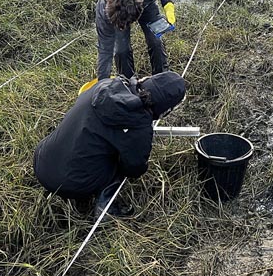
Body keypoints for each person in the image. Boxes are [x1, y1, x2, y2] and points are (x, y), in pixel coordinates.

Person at [34, 72, 186, 217]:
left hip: (41, 159)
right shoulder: (139, 125)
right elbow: (135, 168)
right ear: (165, 108)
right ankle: (106, 208)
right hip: (70, 184)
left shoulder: (105, 85)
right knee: (122, 162)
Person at [95, 0, 176, 80]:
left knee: (155, 40)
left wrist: (168, 7)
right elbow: (104, 51)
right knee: (121, 50)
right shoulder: (104, 13)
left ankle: (162, 76)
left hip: (145, 1)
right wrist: (102, 85)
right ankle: (128, 82)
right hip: (116, 10)